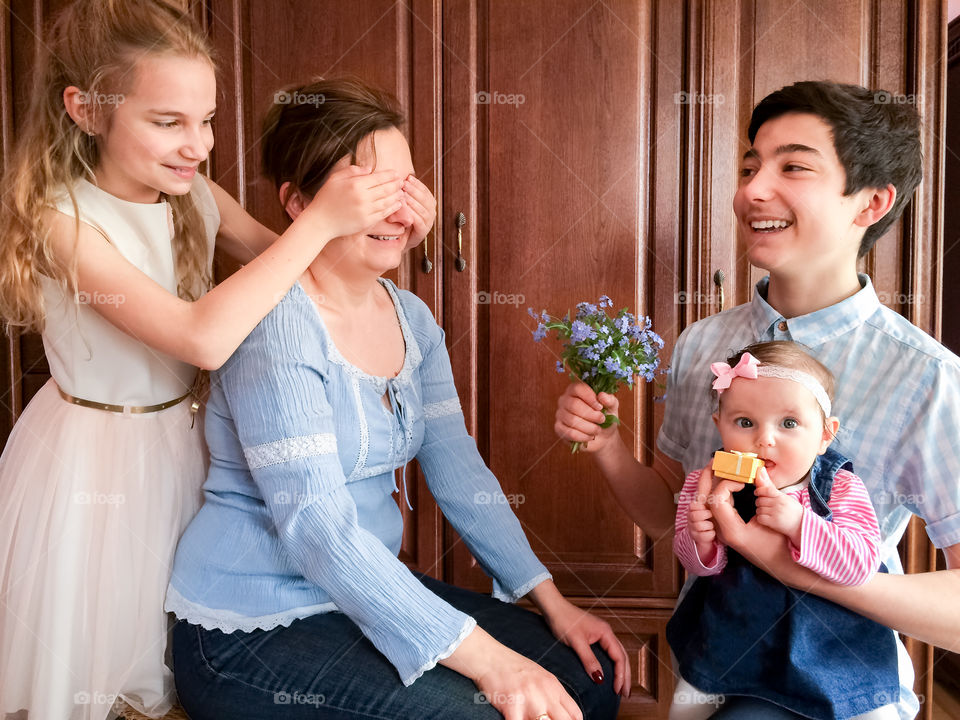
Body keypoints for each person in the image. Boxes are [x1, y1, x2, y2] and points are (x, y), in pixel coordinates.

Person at [0, 2, 416, 718]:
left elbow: (297, 269)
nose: (198, 145)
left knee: (182, 655)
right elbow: (200, 337)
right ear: (86, 109)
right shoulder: (60, 223)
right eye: (168, 122)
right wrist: (322, 218)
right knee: (96, 665)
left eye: (207, 120)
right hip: (96, 461)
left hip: (187, 447)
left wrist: (387, 222)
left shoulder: (196, 196)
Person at [166, 77, 629, 720]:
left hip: (359, 596)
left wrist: (552, 601)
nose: (397, 210)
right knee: (485, 712)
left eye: (407, 185)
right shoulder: (274, 321)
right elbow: (318, 531)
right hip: (255, 628)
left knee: (589, 679)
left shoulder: (410, 316)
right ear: (299, 203)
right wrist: (492, 663)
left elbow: (457, 469)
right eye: (370, 189)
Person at [555, 80, 960, 719]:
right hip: (712, 670)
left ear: (871, 202)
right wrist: (607, 447)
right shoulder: (702, 344)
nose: (751, 190)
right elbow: (668, 513)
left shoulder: (928, 378)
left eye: (792, 166)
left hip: (839, 691)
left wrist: (805, 567)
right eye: (749, 167)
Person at [668, 342, 898, 720]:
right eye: (745, 423)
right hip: (734, 634)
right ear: (719, 426)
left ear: (825, 434)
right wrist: (701, 538)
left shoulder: (840, 486)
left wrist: (798, 524)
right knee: (685, 708)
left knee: (874, 712)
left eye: (788, 423)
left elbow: (860, 566)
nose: (765, 439)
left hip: (832, 645)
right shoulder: (705, 482)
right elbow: (696, 565)